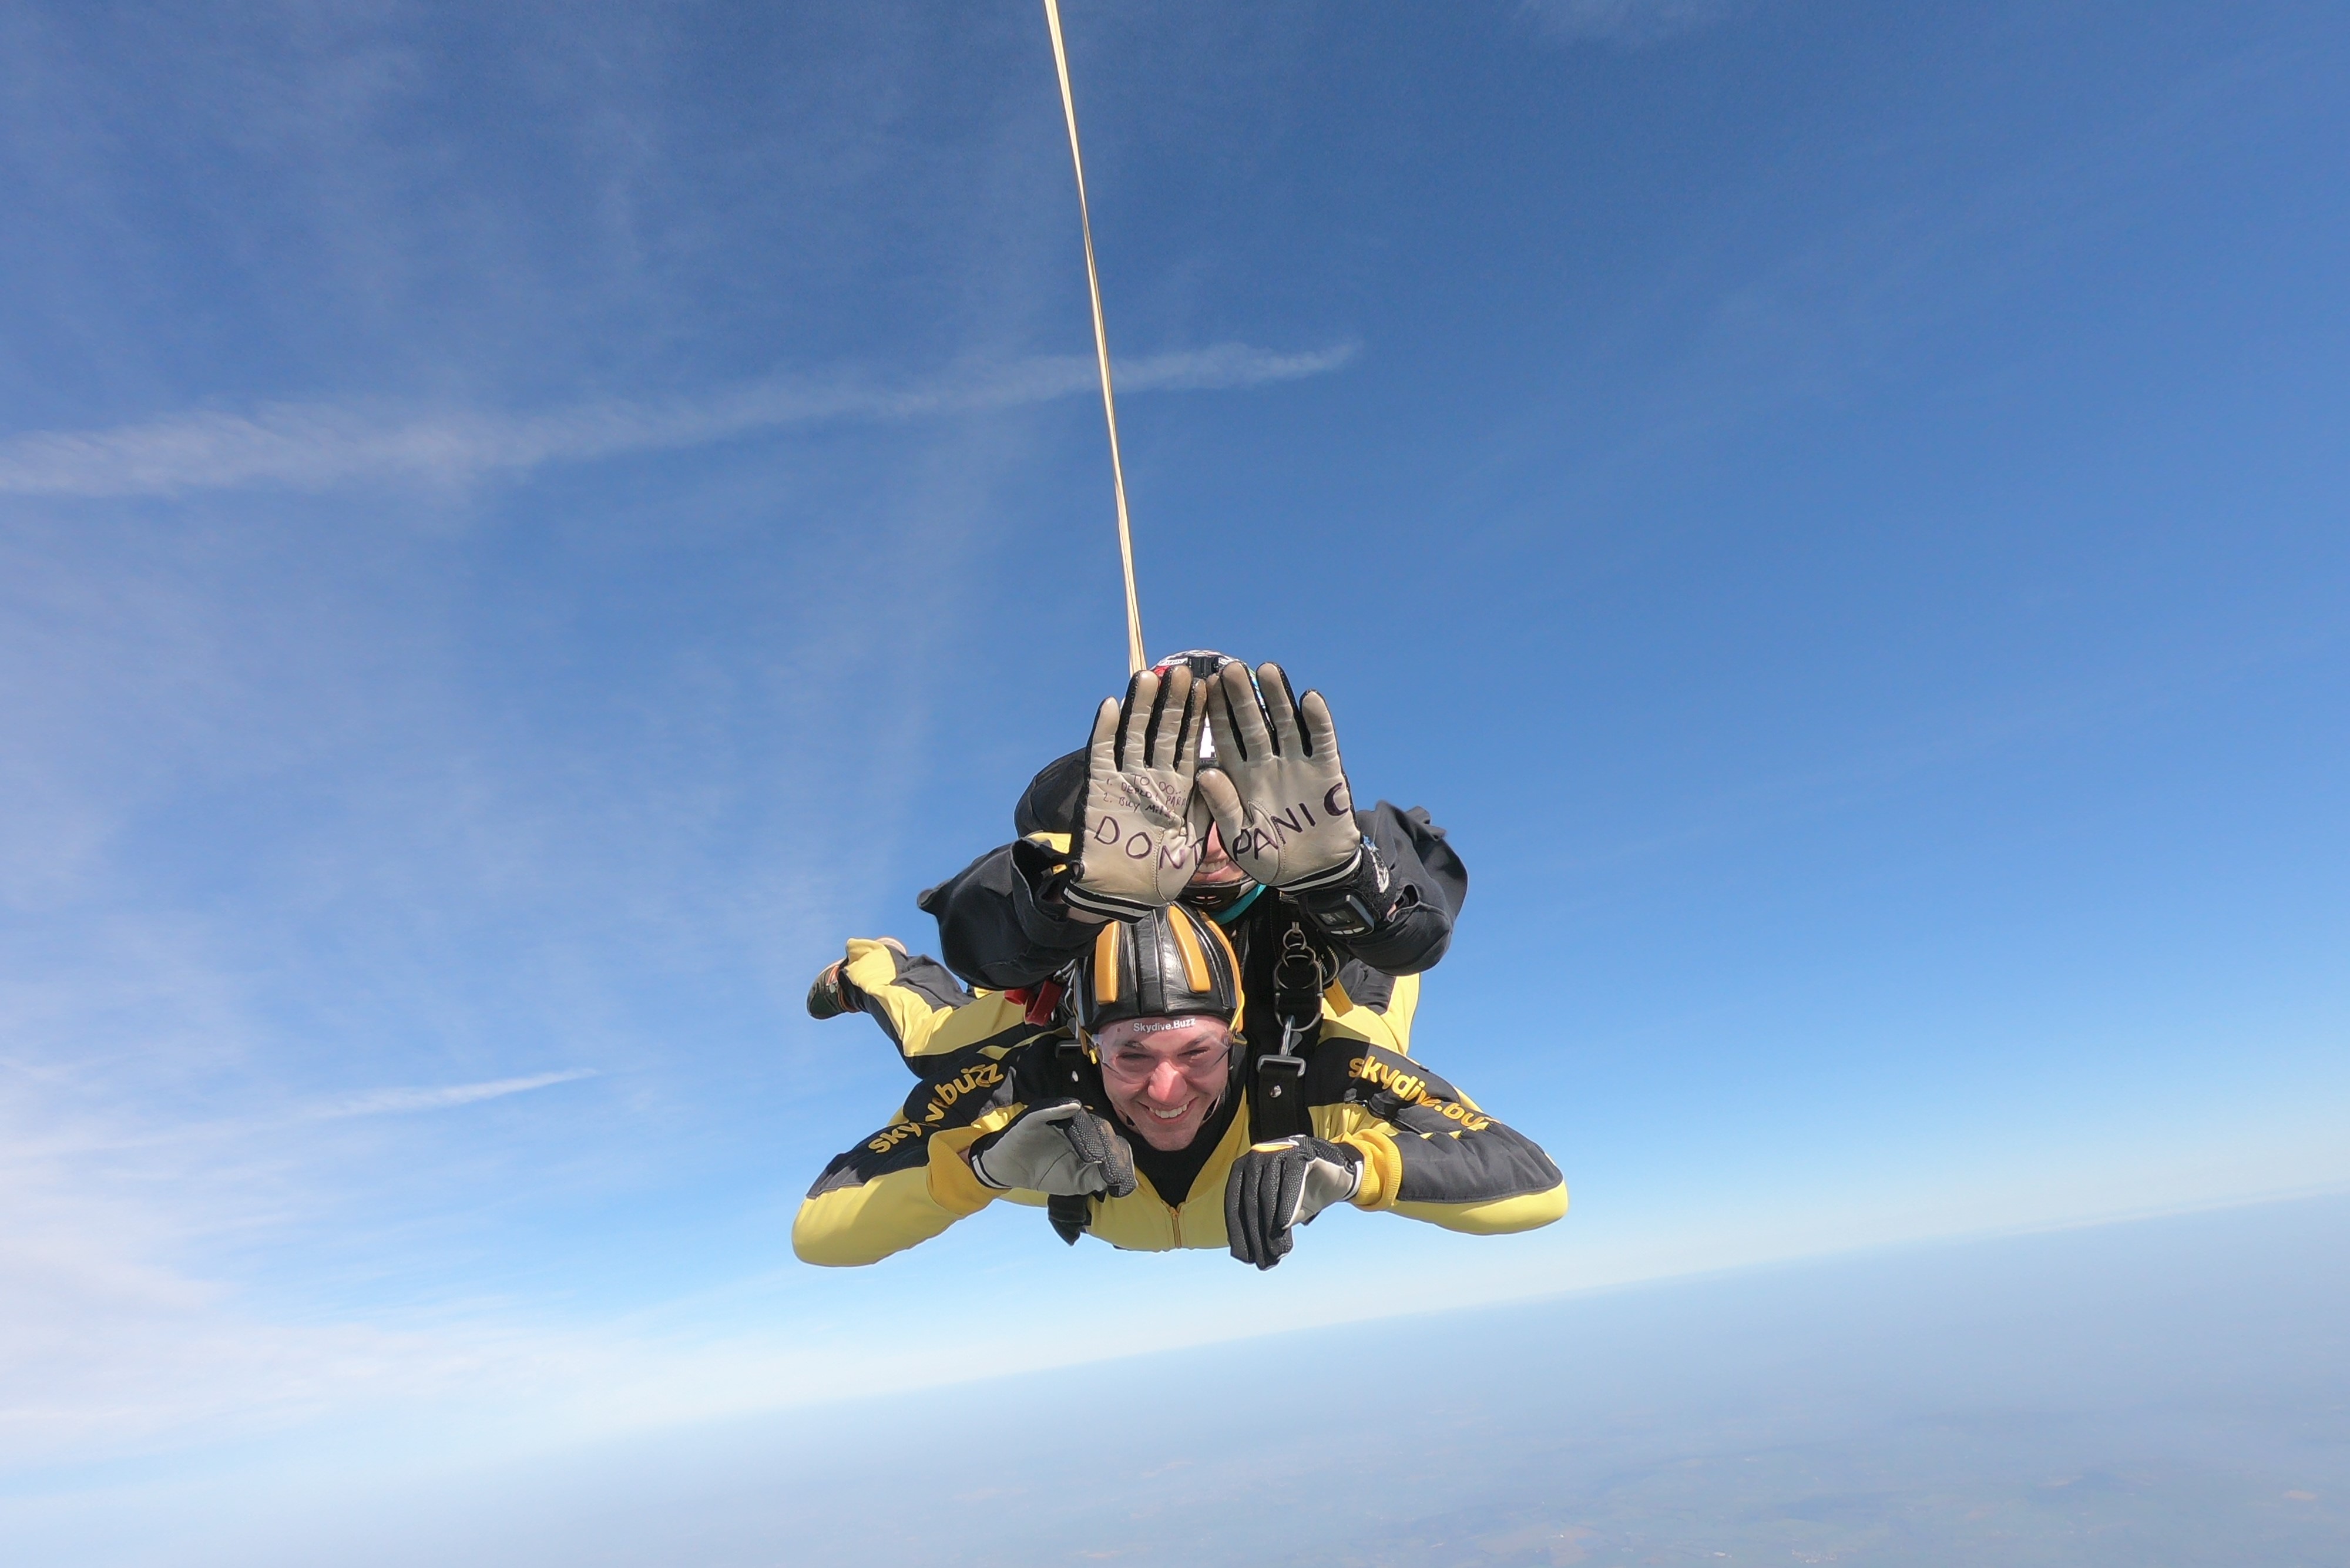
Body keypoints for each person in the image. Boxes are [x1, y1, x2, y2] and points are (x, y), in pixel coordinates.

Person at [792, 903, 1566, 1270]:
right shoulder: (1029, 1089)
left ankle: (1333, 898)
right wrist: (982, 1170)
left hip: (1294, 1033)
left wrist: (1358, 1168)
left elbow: (1540, 1187)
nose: (1166, 1091)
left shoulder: (1312, 1078)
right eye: (1130, 1055)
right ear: (1088, 1048)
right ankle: (874, 965)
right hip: (1049, 1041)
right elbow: (820, 1232)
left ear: (1235, 1038)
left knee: (1373, 1012)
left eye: (1197, 1052)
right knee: (938, 1041)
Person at [916, 656, 1466, 1080]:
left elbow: (1417, 936)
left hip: (1291, 1064)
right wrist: (1073, 903)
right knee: (941, 1041)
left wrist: (1345, 882)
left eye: (1233, 796)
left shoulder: (1339, 836)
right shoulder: (1097, 844)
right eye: (1186, 802)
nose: (1212, 838)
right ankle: (866, 971)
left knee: (1371, 1046)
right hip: (1119, 1082)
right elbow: (974, 930)